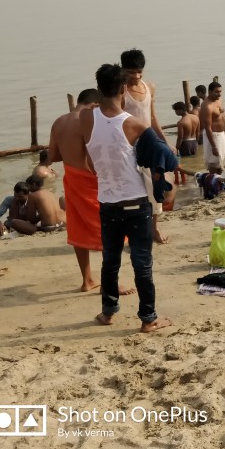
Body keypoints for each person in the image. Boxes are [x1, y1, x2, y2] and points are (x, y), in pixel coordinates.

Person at [81, 63, 172, 333]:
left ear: (99, 89)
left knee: (110, 260)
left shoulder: (85, 119)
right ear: (123, 89)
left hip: (107, 202)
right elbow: (165, 158)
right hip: (136, 203)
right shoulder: (135, 125)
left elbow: (89, 161)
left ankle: (108, 312)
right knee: (142, 263)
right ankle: (148, 319)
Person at [47, 88, 131, 292]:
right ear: (94, 105)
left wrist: (71, 152)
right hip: (91, 180)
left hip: (72, 179)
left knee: (78, 227)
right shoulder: (87, 121)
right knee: (108, 228)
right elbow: (94, 156)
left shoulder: (59, 121)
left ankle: (87, 280)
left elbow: (53, 156)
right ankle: (109, 282)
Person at [120, 49, 169, 244]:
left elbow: (153, 117)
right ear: (123, 70)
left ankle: (154, 229)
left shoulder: (149, 87)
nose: (136, 76)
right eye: (131, 72)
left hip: (150, 146)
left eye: (139, 71)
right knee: (132, 193)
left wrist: (165, 142)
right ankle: (133, 234)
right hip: (128, 148)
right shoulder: (120, 92)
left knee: (155, 189)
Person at [199, 82, 225, 175]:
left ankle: (218, 181)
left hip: (221, 134)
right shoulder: (207, 106)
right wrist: (213, 146)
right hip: (213, 135)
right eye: (217, 92)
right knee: (213, 163)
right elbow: (207, 128)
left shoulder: (219, 100)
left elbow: (222, 118)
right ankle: (212, 182)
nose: (219, 94)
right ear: (210, 92)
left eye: (220, 91)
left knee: (221, 161)